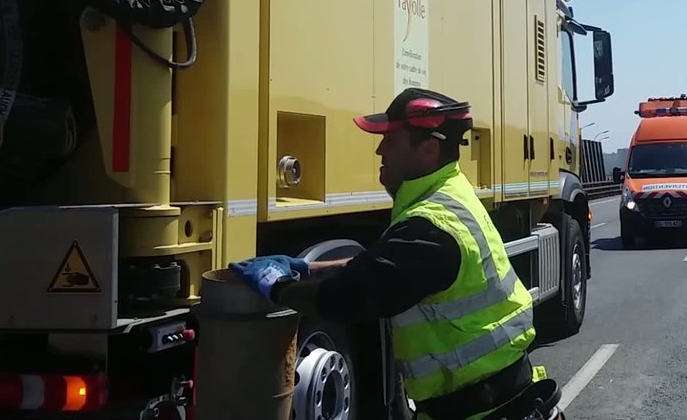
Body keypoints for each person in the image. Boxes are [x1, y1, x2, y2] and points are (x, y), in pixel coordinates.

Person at [228, 87, 553, 420]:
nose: (380, 150)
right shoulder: (448, 195)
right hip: (492, 401)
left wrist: (277, 288)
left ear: (429, 150)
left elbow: (346, 295)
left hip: (482, 411)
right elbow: (381, 265)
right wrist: (308, 269)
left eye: (391, 140)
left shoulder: (430, 226)